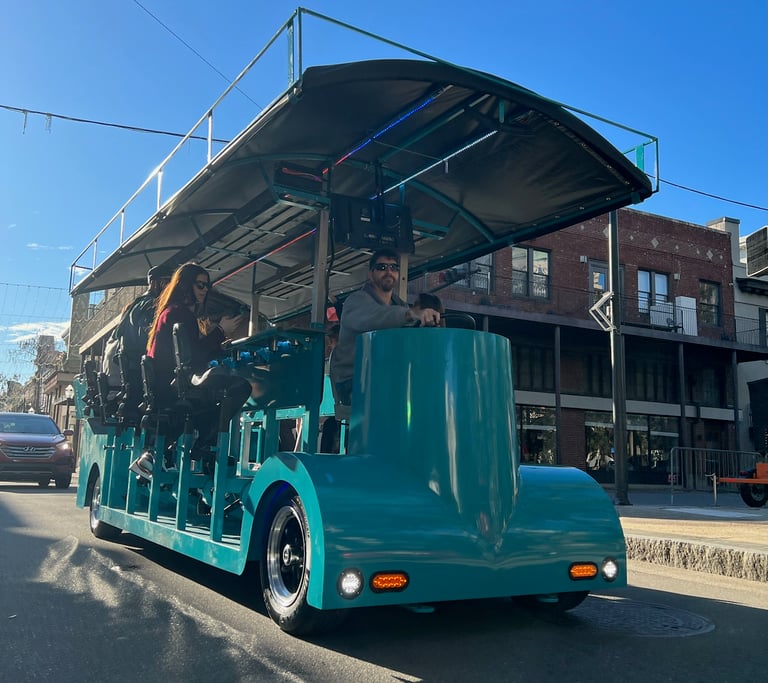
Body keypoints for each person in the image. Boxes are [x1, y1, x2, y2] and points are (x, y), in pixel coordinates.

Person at [129, 262, 251, 478]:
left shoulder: (170, 311)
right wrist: (221, 331)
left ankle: (164, 453)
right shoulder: (180, 314)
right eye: (200, 285)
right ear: (185, 285)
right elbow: (193, 357)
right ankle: (203, 448)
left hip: (165, 388)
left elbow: (188, 353)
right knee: (239, 387)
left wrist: (216, 341)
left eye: (207, 286)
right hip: (175, 388)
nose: (205, 290)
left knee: (214, 398)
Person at [329, 248, 441, 407]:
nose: (389, 272)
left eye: (393, 268)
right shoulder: (356, 301)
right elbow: (376, 317)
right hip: (354, 381)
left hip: (387, 378)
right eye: (382, 267)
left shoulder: (400, 305)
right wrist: (411, 314)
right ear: (370, 274)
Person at [102, 265, 172, 404]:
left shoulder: (134, 305)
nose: (171, 287)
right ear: (155, 283)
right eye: (167, 282)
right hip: (135, 382)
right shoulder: (151, 306)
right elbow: (147, 344)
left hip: (122, 383)